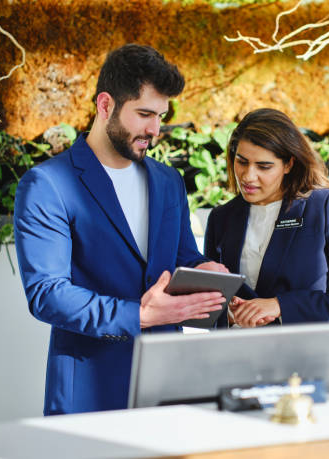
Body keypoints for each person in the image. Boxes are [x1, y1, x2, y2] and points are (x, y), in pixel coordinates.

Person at [14, 44, 227, 415]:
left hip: (167, 386)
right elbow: (47, 294)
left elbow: (180, 257)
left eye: (161, 115)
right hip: (89, 389)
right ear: (105, 105)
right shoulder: (47, 184)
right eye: (144, 114)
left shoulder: (168, 181)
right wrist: (138, 315)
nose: (155, 129)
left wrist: (203, 271)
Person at [204, 108, 329, 328]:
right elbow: (210, 305)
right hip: (237, 355)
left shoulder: (326, 206)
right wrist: (227, 313)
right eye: (241, 161)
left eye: (264, 166)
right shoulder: (221, 217)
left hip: (304, 355)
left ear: (289, 164)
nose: (248, 176)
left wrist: (280, 306)